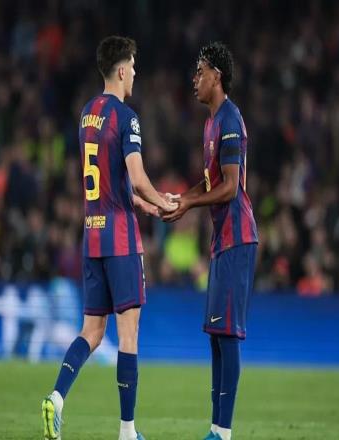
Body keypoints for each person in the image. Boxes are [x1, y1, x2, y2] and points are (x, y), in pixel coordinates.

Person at [41, 35, 178, 440]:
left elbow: (109, 184)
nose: (135, 72)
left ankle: (56, 398)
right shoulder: (126, 117)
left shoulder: (87, 114)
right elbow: (135, 176)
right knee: (128, 334)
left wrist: (145, 206)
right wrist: (164, 203)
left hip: (93, 235)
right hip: (121, 239)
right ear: (121, 70)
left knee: (91, 331)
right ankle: (127, 431)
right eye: (132, 66)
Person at [163, 42, 258, 440]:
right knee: (216, 336)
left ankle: (224, 432)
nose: (195, 79)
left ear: (217, 76)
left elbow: (231, 188)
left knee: (228, 334)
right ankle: (215, 430)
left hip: (238, 237)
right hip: (221, 241)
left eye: (200, 72)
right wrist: (182, 199)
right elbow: (209, 185)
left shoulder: (230, 119)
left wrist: (189, 203)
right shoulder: (210, 124)